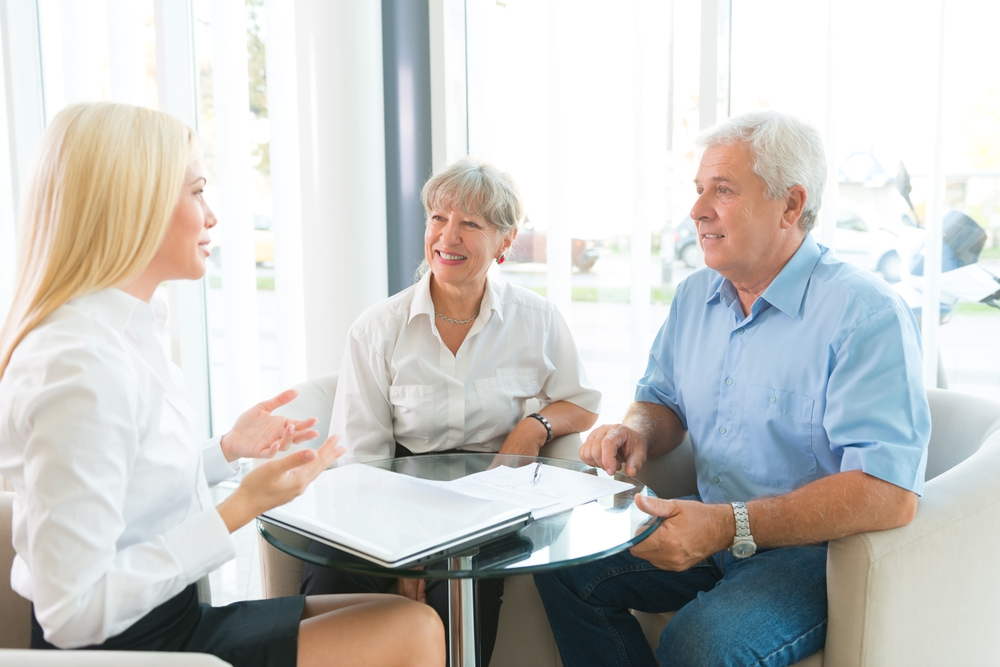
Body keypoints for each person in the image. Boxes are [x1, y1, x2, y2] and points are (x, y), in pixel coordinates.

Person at [0, 102, 444, 667]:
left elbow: (127, 490)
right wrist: (239, 508)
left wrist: (225, 452)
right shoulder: (78, 365)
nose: (211, 216)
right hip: (126, 650)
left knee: (412, 624)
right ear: (132, 204)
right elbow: (71, 614)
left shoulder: (123, 333)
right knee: (412, 634)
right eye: (196, 192)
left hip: (170, 621)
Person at [533, 110, 932, 667]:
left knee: (700, 644)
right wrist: (636, 430)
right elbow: (661, 401)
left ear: (791, 205)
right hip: (709, 521)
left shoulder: (864, 313)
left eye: (722, 190)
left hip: (811, 554)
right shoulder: (696, 296)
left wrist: (729, 526)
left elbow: (889, 491)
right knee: (563, 566)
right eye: (698, 191)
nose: (697, 211)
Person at [301, 157, 602, 665]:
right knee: (328, 583)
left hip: (489, 502)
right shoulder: (379, 328)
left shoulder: (537, 319)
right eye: (438, 218)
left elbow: (583, 402)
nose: (448, 236)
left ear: (505, 242)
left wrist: (536, 425)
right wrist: (400, 554)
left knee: (459, 600)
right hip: (389, 494)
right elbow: (360, 460)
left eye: (470, 224)